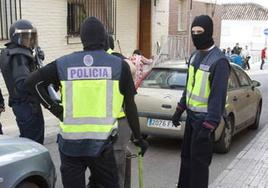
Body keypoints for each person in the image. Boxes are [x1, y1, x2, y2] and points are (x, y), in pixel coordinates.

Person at [25, 17, 148, 188]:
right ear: (104, 38)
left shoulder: (64, 64)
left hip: (70, 147)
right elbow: (130, 106)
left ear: (82, 39)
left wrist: (55, 108)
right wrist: (138, 137)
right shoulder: (119, 66)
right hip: (102, 146)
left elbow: (32, 83)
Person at [172, 15, 230, 188]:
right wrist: (180, 109)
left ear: (210, 32)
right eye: (193, 32)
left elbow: (217, 98)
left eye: (200, 31)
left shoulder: (219, 61)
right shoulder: (194, 56)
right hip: (191, 118)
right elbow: (188, 88)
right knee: (186, 160)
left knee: (199, 165)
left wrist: (208, 126)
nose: (196, 35)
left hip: (204, 122)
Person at [0, 19, 44, 144]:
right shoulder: (19, 56)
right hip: (27, 105)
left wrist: (35, 61)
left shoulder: (9, 52)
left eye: (31, 37)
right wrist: (41, 75)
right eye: (26, 37)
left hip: (21, 105)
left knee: (28, 138)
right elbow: (23, 83)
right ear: (17, 38)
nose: (30, 40)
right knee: (34, 143)